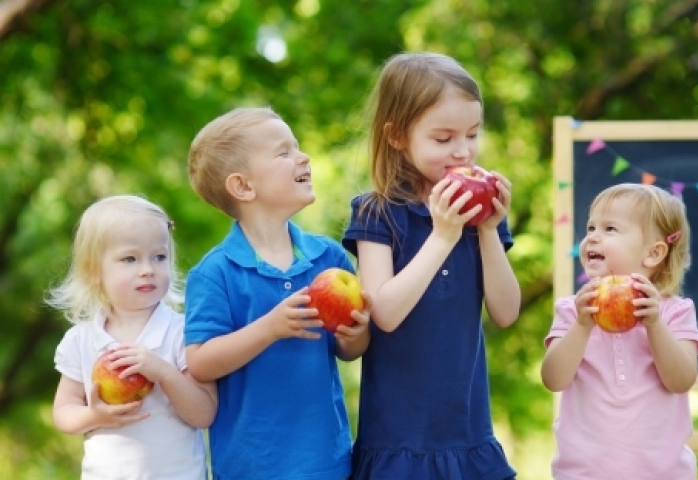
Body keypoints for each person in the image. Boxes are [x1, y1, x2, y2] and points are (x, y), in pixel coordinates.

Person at [342, 52, 521, 480]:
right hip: (399, 439)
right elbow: (384, 312)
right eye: (443, 139)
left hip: (466, 431)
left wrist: (490, 230)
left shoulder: (481, 213)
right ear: (398, 136)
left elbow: (506, 311)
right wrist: (443, 237)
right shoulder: (376, 213)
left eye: (473, 134)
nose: (463, 151)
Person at [184, 106, 371, 480]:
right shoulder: (215, 273)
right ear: (243, 186)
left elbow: (348, 351)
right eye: (283, 152)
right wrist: (269, 328)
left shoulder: (329, 259)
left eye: (297, 147)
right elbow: (201, 362)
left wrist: (358, 333)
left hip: (326, 462)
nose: (302, 157)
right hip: (250, 468)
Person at [541, 183, 698, 479]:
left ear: (653, 254)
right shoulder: (573, 310)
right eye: (591, 227)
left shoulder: (674, 312)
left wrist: (655, 326)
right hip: (582, 473)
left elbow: (681, 380)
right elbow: (553, 379)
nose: (592, 237)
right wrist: (581, 326)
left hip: (663, 473)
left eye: (610, 229)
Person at [48, 195, 218, 480]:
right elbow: (64, 411)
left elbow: (204, 414)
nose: (148, 269)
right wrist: (95, 417)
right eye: (129, 258)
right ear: (94, 271)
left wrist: (163, 371)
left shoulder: (182, 332)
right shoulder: (81, 340)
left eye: (159, 257)